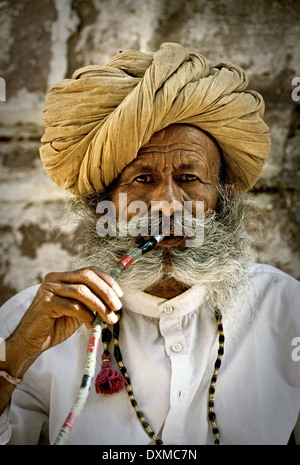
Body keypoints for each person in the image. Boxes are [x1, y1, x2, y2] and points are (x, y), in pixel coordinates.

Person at [0, 43, 299, 446]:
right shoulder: (30, 324)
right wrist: (16, 353)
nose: (167, 205)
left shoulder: (285, 311)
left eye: (190, 179)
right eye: (142, 179)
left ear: (222, 196)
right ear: (103, 202)